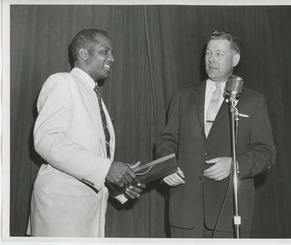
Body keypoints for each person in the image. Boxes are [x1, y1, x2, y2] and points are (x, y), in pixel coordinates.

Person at [155, 30, 276, 238]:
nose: (211, 59)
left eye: (219, 54)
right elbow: (166, 141)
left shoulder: (253, 101)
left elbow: (267, 154)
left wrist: (234, 164)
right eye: (208, 53)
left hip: (230, 213)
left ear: (235, 59)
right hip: (185, 211)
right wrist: (167, 167)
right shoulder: (182, 97)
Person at [27, 29, 144, 237]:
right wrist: (105, 168)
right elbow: (47, 140)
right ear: (83, 54)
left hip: (88, 215)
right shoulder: (62, 82)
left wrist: (116, 184)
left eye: (112, 52)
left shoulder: (93, 94)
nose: (112, 58)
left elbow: (89, 159)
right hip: (61, 213)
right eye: (104, 51)